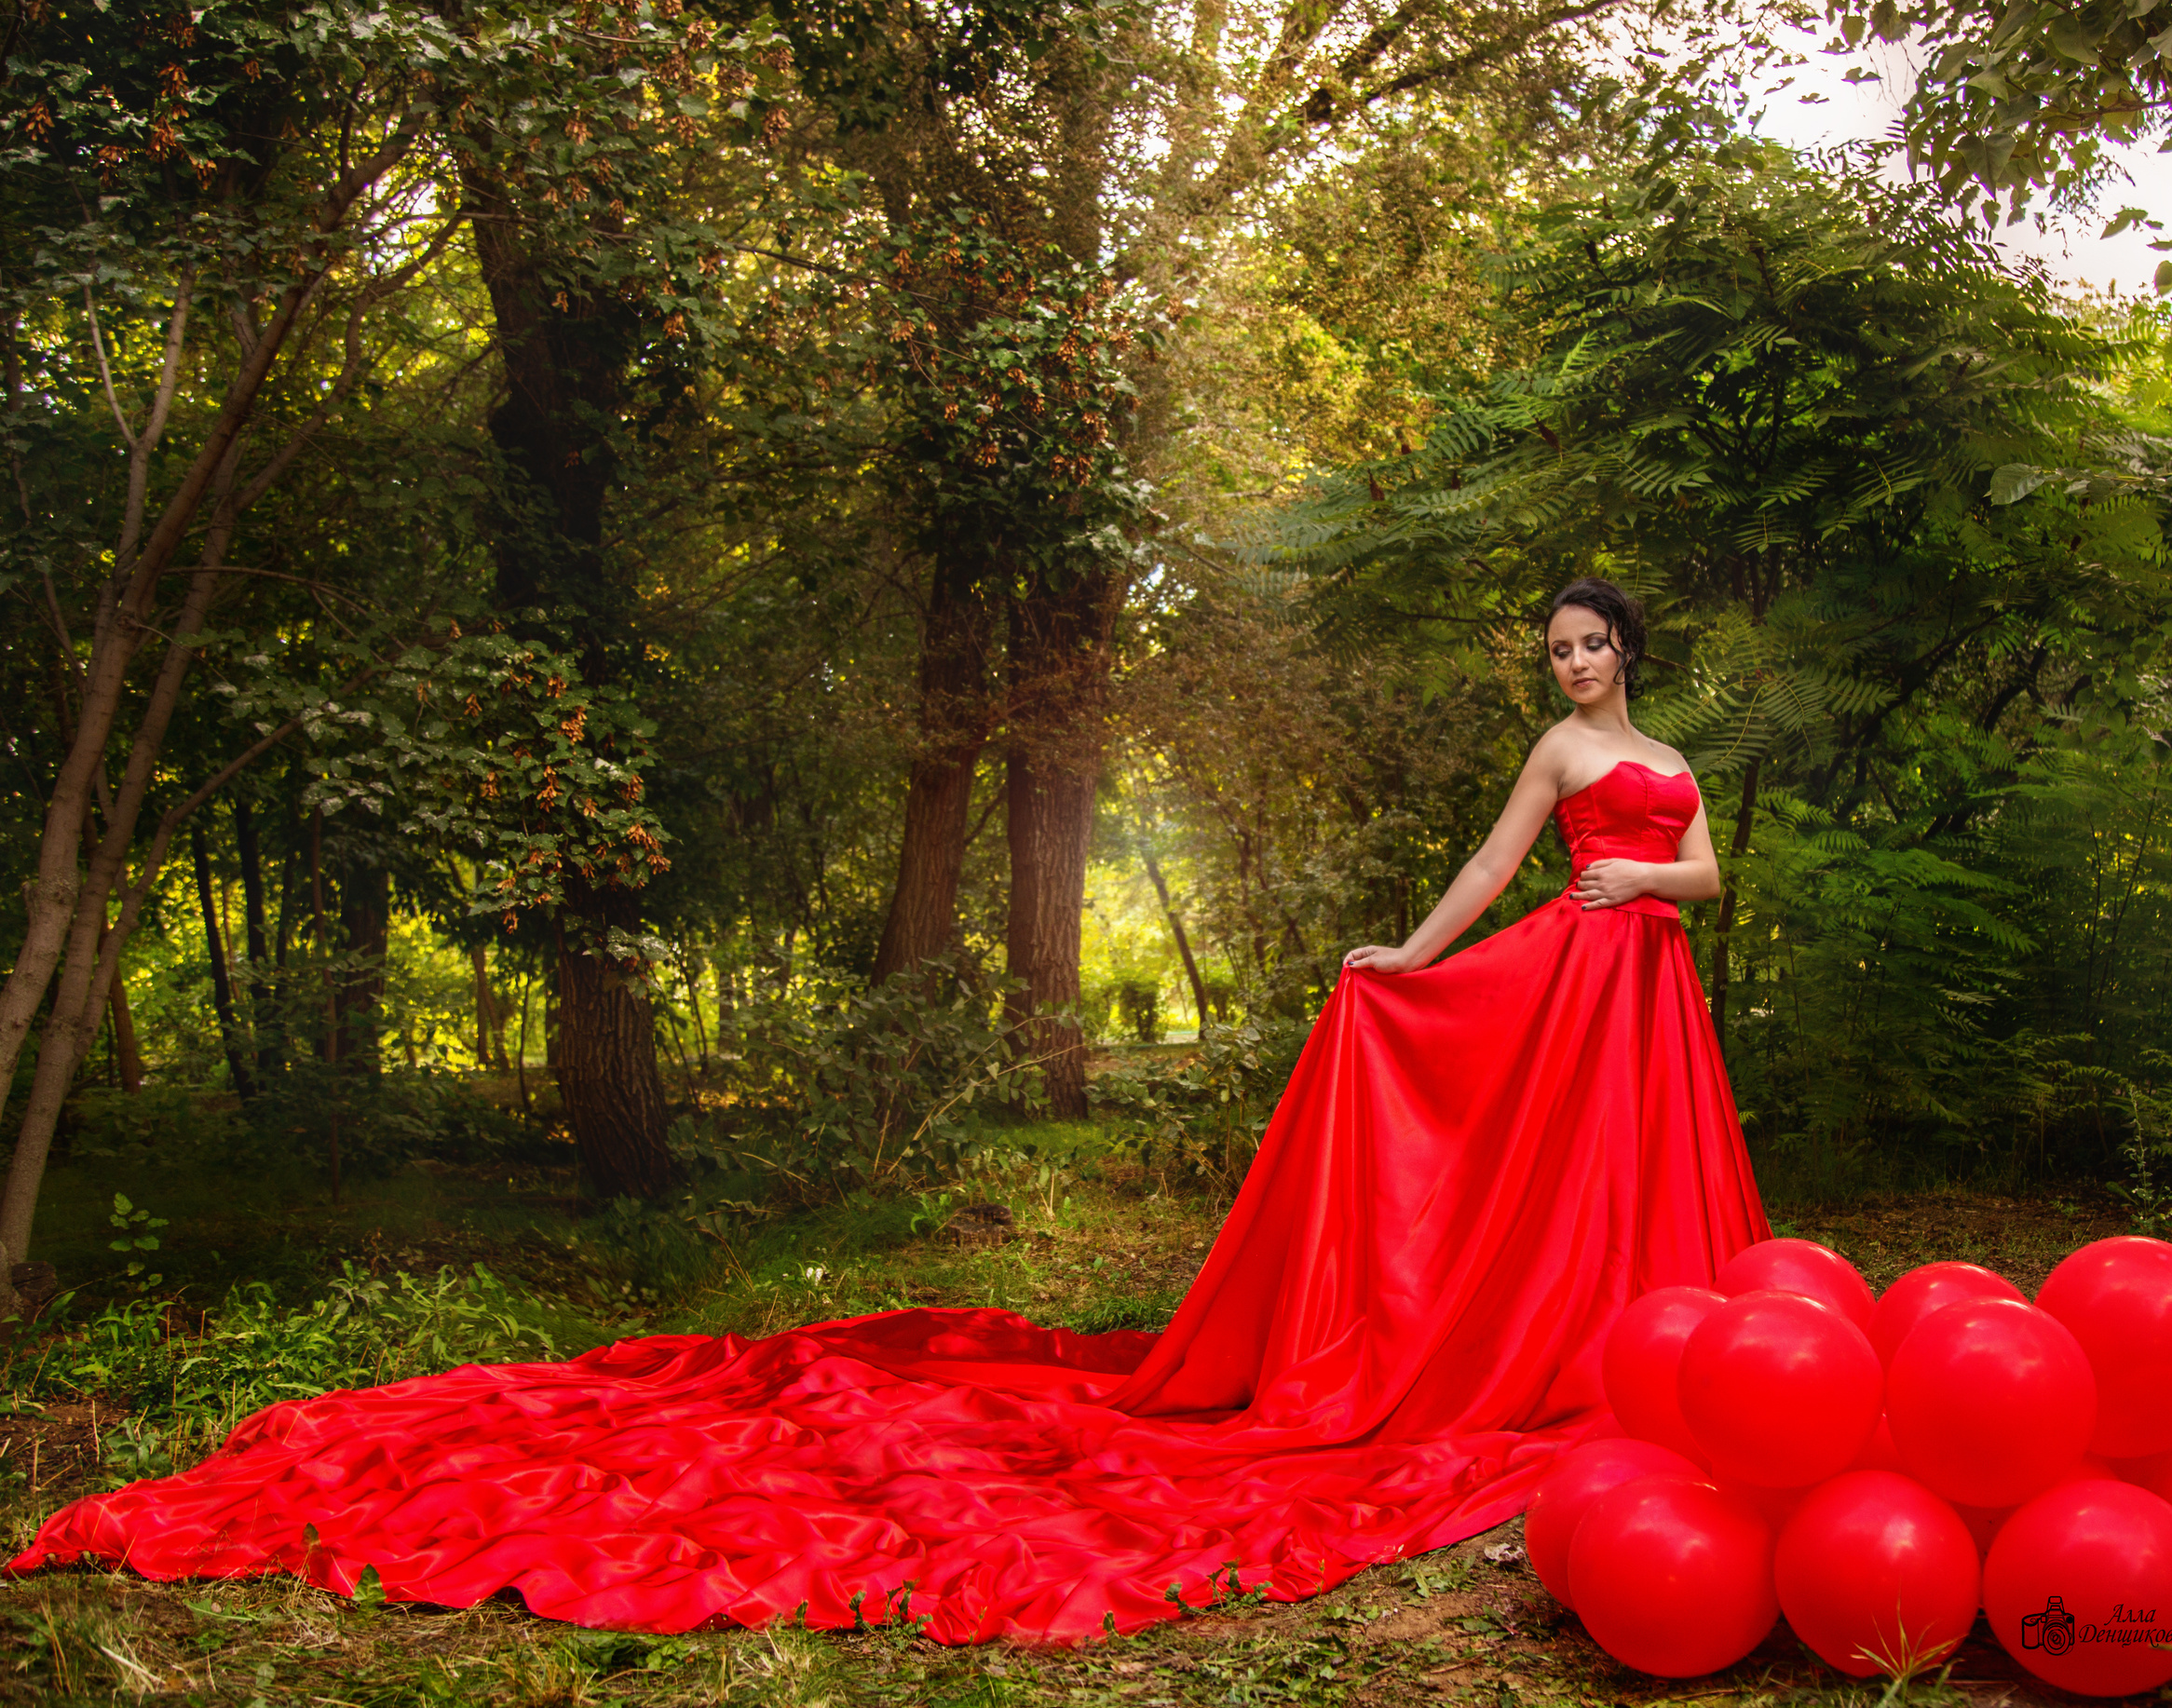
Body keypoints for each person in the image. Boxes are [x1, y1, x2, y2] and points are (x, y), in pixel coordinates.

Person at [9, 577, 1768, 1644]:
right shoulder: (1549, 765)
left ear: (1630, 654)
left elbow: (1698, 870)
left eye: (1591, 646)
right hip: (1552, 976)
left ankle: (1652, 1348)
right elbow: (1485, 865)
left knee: (1643, 1180)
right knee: (1544, 1174)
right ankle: (1537, 1343)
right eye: (1553, 650)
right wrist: (1409, 945)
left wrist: (1642, 895)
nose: (1571, 669)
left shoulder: (1667, 758)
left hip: (1640, 985)